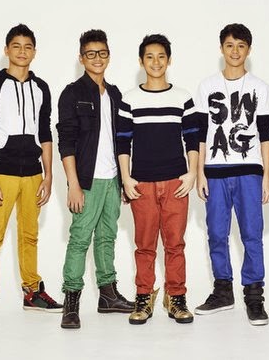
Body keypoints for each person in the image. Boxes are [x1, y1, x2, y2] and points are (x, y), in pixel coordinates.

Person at [0, 24, 62, 327]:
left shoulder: (42, 88)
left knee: (29, 235)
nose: (22, 51)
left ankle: (32, 292)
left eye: (28, 46)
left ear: (34, 52)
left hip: (33, 174)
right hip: (2, 173)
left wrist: (48, 175)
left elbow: (45, 133)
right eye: (16, 46)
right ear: (6, 50)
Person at [194, 23, 269, 326]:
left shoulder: (260, 87)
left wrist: (267, 175)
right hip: (215, 171)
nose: (235, 51)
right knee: (216, 233)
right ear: (221, 49)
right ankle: (223, 291)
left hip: (249, 172)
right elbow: (200, 133)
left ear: (249, 50)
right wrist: (199, 172)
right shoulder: (207, 86)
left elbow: (266, 133)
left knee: (252, 234)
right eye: (230, 45)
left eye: (241, 46)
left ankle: (254, 296)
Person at [117, 34, 199, 325]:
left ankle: (176, 297)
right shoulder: (129, 98)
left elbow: (192, 139)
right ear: (141, 62)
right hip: (142, 184)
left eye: (161, 56)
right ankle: (144, 296)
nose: (155, 62)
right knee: (145, 245)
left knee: (175, 244)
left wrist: (192, 173)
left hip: (176, 182)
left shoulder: (183, 97)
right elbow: (122, 142)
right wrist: (126, 178)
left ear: (169, 60)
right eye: (149, 57)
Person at [56, 29, 134, 329]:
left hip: (112, 179)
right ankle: (71, 302)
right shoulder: (72, 94)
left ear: (108, 56)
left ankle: (108, 295)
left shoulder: (115, 94)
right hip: (87, 181)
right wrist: (74, 184)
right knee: (79, 239)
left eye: (102, 53)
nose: (97, 58)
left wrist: (124, 180)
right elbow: (66, 142)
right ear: (81, 58)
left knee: (106, 237)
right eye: (91, 54)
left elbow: (123, 140)